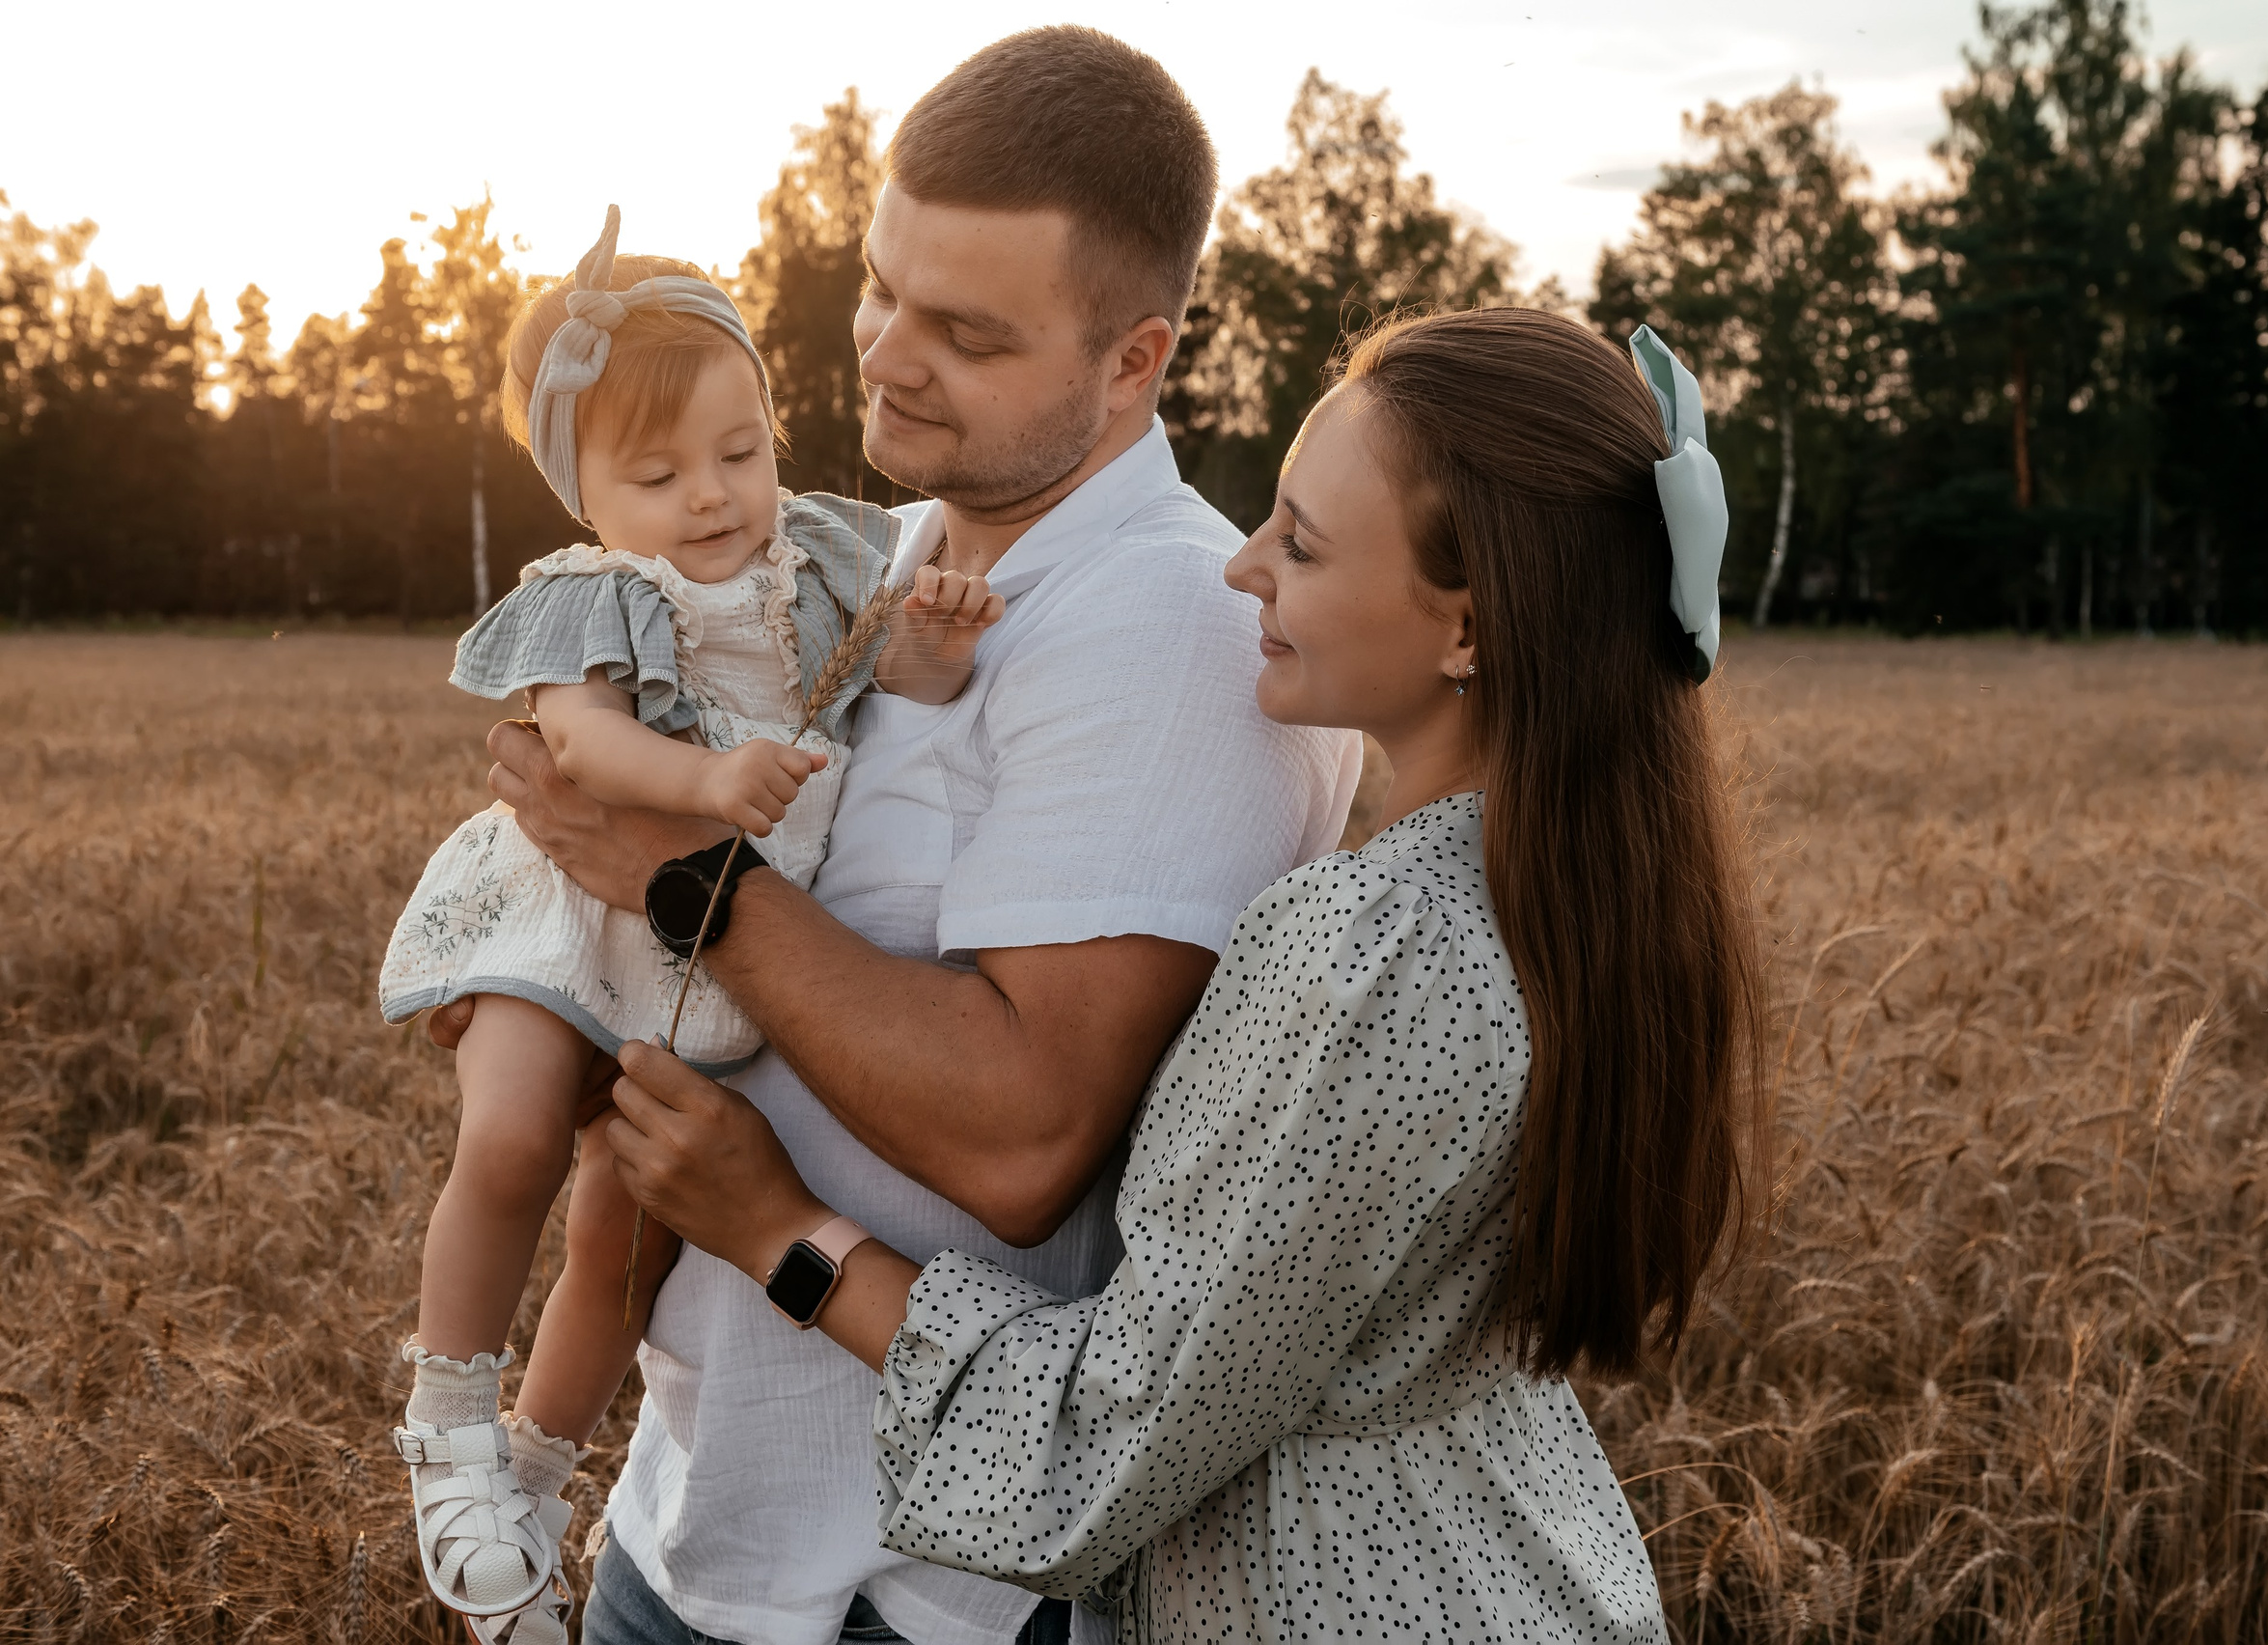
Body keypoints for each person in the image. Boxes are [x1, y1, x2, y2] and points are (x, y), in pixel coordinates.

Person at [594, 305, 1769, 1642]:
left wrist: (775, 1230)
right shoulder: (1560, 887)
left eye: (1304, 545)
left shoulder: (1369, 954)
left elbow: (1106, 1440)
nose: (1242, 567)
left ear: (1467, 629)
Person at [431, 26, 1359, 1645]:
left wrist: (666, 876)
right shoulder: (869, 556)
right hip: (701, 1504)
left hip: (908, 1586)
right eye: (881, 287)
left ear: (1133, 360)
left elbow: (1021, 1139)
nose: (884, 357)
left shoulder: (1164, 630)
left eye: (967, 332)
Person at [376, 208, 1005, 1638]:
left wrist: (937, 646)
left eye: (742, 452)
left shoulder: (827, 564)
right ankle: (451, 1429)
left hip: (687, 956)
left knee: (626, 1237)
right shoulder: (597, 594)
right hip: (563, 926)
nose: (713, 496)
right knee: (520, 1139)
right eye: (657, 474)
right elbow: (586, 754)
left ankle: (538, 1476)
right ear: (582, 490)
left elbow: (876, 679)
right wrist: (710, 778)